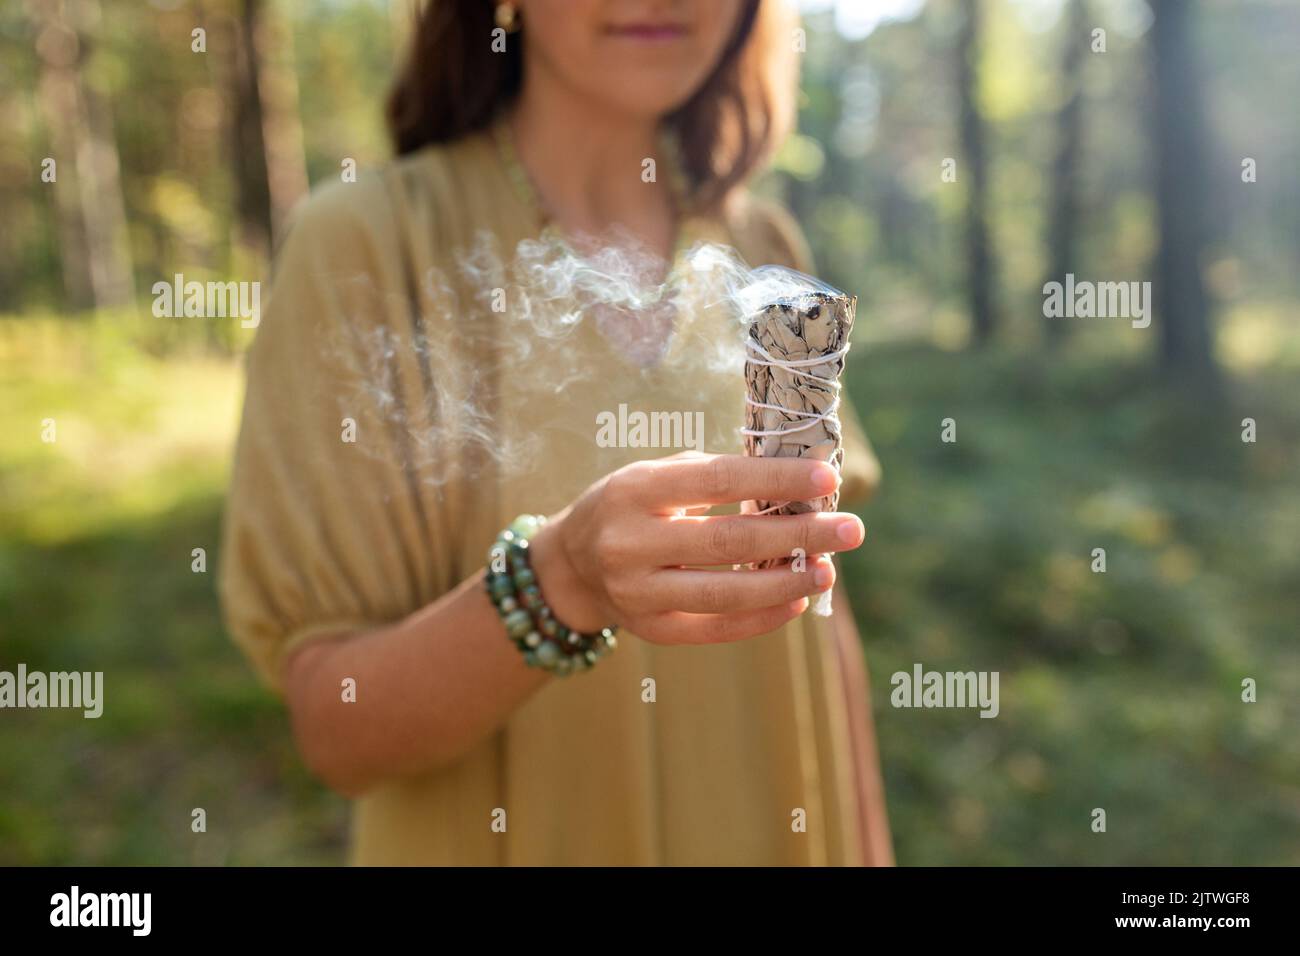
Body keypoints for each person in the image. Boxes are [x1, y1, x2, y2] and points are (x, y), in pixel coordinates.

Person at [219, 0, 892, 865]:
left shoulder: (762, 243)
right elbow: (337, 730)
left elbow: (823, 622)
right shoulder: (363, 248)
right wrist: (559, 583)